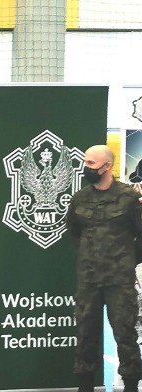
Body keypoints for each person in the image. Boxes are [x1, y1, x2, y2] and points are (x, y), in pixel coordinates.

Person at [66, 145, 142, 392]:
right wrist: (90, 257)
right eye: (86, 162)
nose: (86, 168)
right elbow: (74, 232)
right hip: (89, 280)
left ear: (107, 166)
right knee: (86, 335)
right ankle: (85, 386)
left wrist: (129, 261)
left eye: (91, 164)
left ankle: (131, 385)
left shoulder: (129, 198)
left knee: (126, 336)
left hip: (119, 280)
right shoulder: (80, 198)